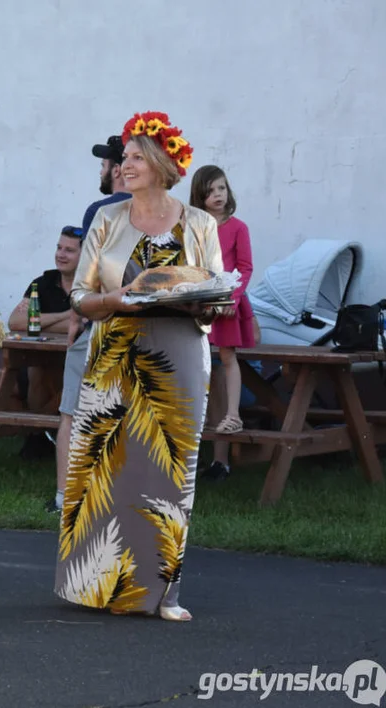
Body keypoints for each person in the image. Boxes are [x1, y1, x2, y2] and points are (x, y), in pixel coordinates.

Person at [55, 111, 223, 622]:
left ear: (160, 162)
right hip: (114, 352)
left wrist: (203, 303)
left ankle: (160, 593)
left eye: (132, 157)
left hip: (179, 355)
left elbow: (216, 294)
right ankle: (92, 585)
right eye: (121, 159)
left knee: (169, 472)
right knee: (106, 467)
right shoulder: (105, 219)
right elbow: (81, 298)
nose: (122, 166)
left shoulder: (200, 223)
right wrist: (118, 300)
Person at [51, 135, 134, 513]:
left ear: (118, 170)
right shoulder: (159, 211)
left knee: (72, 413)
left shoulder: (100, 210)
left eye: (104, 165)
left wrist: (76, 317)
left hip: (97, 321)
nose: (101, 171)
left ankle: (66, 498)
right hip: (139, 329)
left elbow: (89, 272)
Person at [190, 166, 257, 481]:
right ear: (200, 196)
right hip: (202, 302)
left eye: (222, 189)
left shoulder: (238, 227)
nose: (218, 195)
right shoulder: (195, 226)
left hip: (228, 303)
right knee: (197, 360)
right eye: (211, 191)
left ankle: (233, 413)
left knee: (227, 357)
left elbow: (244, 266)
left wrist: (232, 297)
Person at [0, 226, 83, 422]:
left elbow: (83, 326)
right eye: (59, 248)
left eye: (69, 250)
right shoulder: (42, 283)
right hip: (37, 358)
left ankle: (39, 432)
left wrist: (37, 323)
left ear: (85, 254)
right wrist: (65, 315)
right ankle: (33, 429)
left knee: (40, 372)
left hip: (74, 365)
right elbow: (15, 322)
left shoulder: (91, 285)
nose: (61, 255)